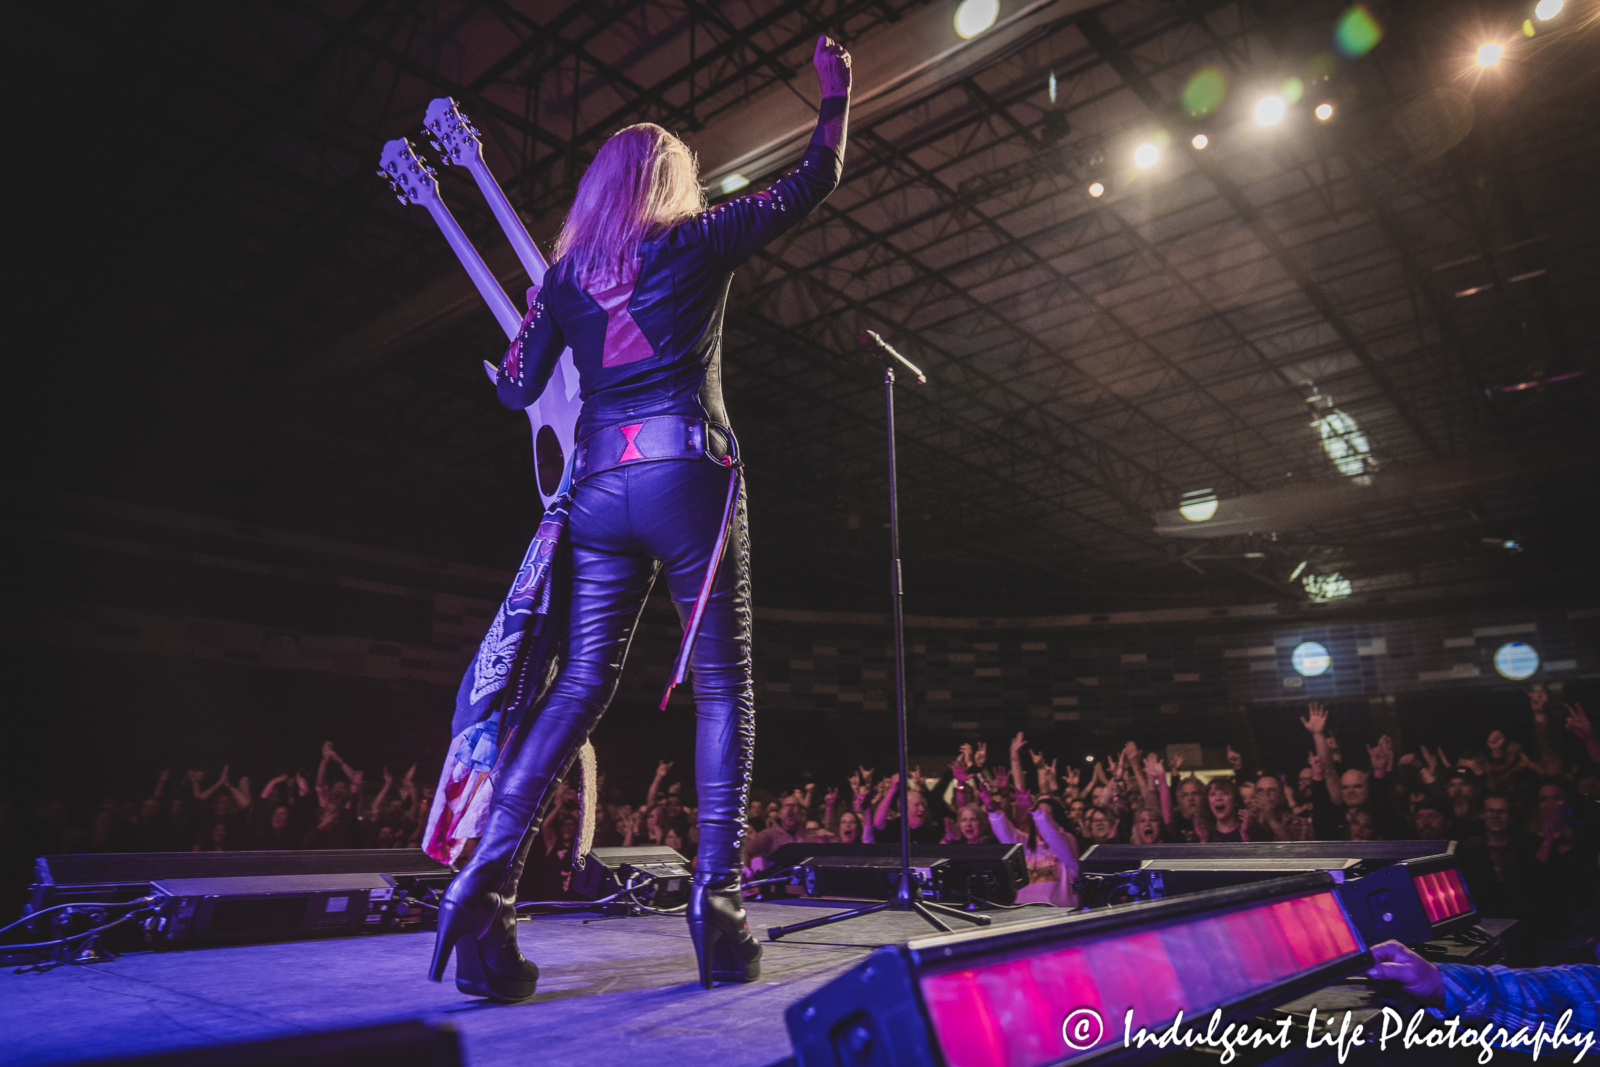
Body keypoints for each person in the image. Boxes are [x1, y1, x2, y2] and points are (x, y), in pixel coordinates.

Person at [427, 36, 853, 1003]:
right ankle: (718, 904)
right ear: (671, 181)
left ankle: (485, 878)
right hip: (687, 474)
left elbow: (519, 383)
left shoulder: (565, 277)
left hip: (597, 494)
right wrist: (834, 97)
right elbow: (812, 182)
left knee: (580, 682)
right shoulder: (696, 239)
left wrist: (510, 369)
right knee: (722, 688)